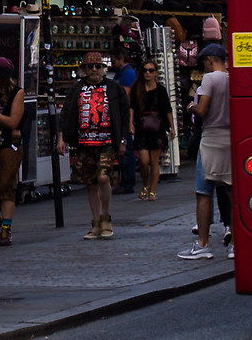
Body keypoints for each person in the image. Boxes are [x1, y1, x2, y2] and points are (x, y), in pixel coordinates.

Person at [60, 52, 131, 241]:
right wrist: (62, 138)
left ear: (103, 69)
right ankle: (96, 222)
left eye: (98, 66)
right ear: (84, 69)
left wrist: (123, 140)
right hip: (84, 142)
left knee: (103, 177)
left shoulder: (114, 88)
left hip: (107, 141)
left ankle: (106, 217)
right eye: (90, 67)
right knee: (90, 183)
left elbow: (124, 115)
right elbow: (66, 114)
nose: (94, 70)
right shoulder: (76, 89)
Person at [180, 45, 232, 260]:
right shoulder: (233, 78)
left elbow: (202, 110)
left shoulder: (210, 79)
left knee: (203, 191)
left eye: (204, 64)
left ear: (210, 60)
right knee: (232, 191)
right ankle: (235, 245)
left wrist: (190, 107)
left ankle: (202, 244)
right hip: (231, 138)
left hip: (211, 138)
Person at [0, 58, 27, 242]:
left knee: (5, 185)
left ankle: (6, 229)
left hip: (9, 144)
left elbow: (13, 122)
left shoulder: (16, 92)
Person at [131, 64, 172, 203]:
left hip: (157, 127)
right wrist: (130, 123)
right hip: (142, 127)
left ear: (156, 73)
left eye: (151, 70)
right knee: (144, 161)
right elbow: (132, 107)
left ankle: (152, 190)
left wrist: (172, 127)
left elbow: (167, 109)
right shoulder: (137, 89)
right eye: (145, 70)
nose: (147, 73)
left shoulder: (160, 90)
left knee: (154, 161)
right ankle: (145, 184)